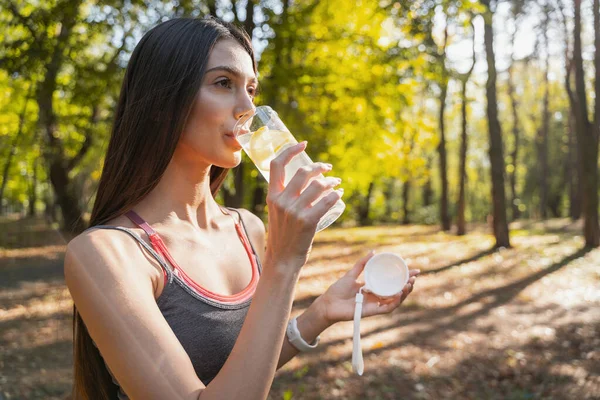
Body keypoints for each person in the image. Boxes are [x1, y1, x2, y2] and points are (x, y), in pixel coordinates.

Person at [64, 16, 419, 400]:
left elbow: (239, 374)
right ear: (160, 103)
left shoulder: (247, 228)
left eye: (251, 89)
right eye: (223, 83)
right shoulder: (105, 254)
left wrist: (319, 314)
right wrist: (284, 264)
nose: (248, 107)